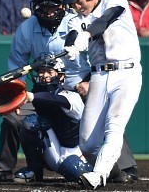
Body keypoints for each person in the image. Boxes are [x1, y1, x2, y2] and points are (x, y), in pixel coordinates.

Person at [0, 0, 138, 183]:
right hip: (43, 88)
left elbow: (96, 53)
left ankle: (125, 167)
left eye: (54, 7)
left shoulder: (75, 20)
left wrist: (89, 81)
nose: (49, 12)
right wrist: (18, 93)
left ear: (63, 7)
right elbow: (17, 63)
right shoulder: (26, 29)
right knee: (14, 120)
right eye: (44, 8)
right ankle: (10, 169)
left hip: (79, 85)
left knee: (108, 115)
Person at [61, 0, 142, 189]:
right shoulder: (75, 18)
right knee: (87, 144)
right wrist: (71, 46)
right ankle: (114, 173)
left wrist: (85, 36)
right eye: (72, 4)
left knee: (114, 126)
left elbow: (107, 18)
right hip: (99, 76)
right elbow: (72, 32)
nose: (77, 7)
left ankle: (97, 175)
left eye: (79, 0)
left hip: (126, 73)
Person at [13, 54, 94, 183]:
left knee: (76, 170)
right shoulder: (38, 96)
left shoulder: (70, 96)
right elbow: (39, 101)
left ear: (61, 76)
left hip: (75, 152)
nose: (44, 75)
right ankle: (34, 170)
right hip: (54, 150)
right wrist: (15, 105)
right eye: (41, 71)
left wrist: (29, 96)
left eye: (49, 71)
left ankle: (109, 172)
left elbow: (55, 100)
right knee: (30, 123)